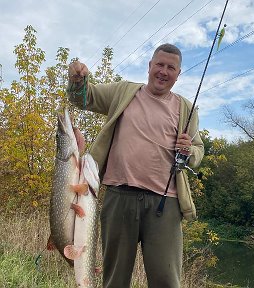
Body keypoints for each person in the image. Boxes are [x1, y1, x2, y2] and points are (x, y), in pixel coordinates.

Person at [67, 43, 204, 288]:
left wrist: (189, 150)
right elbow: (85, 98)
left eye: (170, 67)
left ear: (178, 73)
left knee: (167, 281)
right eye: (159, 65)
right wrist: (78, 79)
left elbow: (197, 151)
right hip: (119, 197)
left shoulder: (186, 108)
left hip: (166, 203)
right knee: (115, 280)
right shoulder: (123, 92)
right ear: (150, 66)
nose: (163, 71)